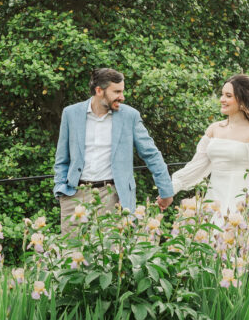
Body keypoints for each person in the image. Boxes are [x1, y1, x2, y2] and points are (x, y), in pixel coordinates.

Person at [53, 68, 174, 234]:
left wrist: (166, 191)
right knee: (71, 254)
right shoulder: (71, 114)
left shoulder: (130, 116)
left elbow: (151, 154)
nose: (122, 97)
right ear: (99, 91)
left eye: (122, 91)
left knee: (109, 256)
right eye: (117, 91)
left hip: (113, 197)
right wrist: (61, 189)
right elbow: (62, 159)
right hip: (75, 196)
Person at [171, 74, 249, 213]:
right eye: (222, 95)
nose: (222, 100)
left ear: (243, 99)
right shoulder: (214, 129)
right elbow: (196, 166)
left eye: (228, 96)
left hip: (242, 204)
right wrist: (171, 187)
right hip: (213, 202)